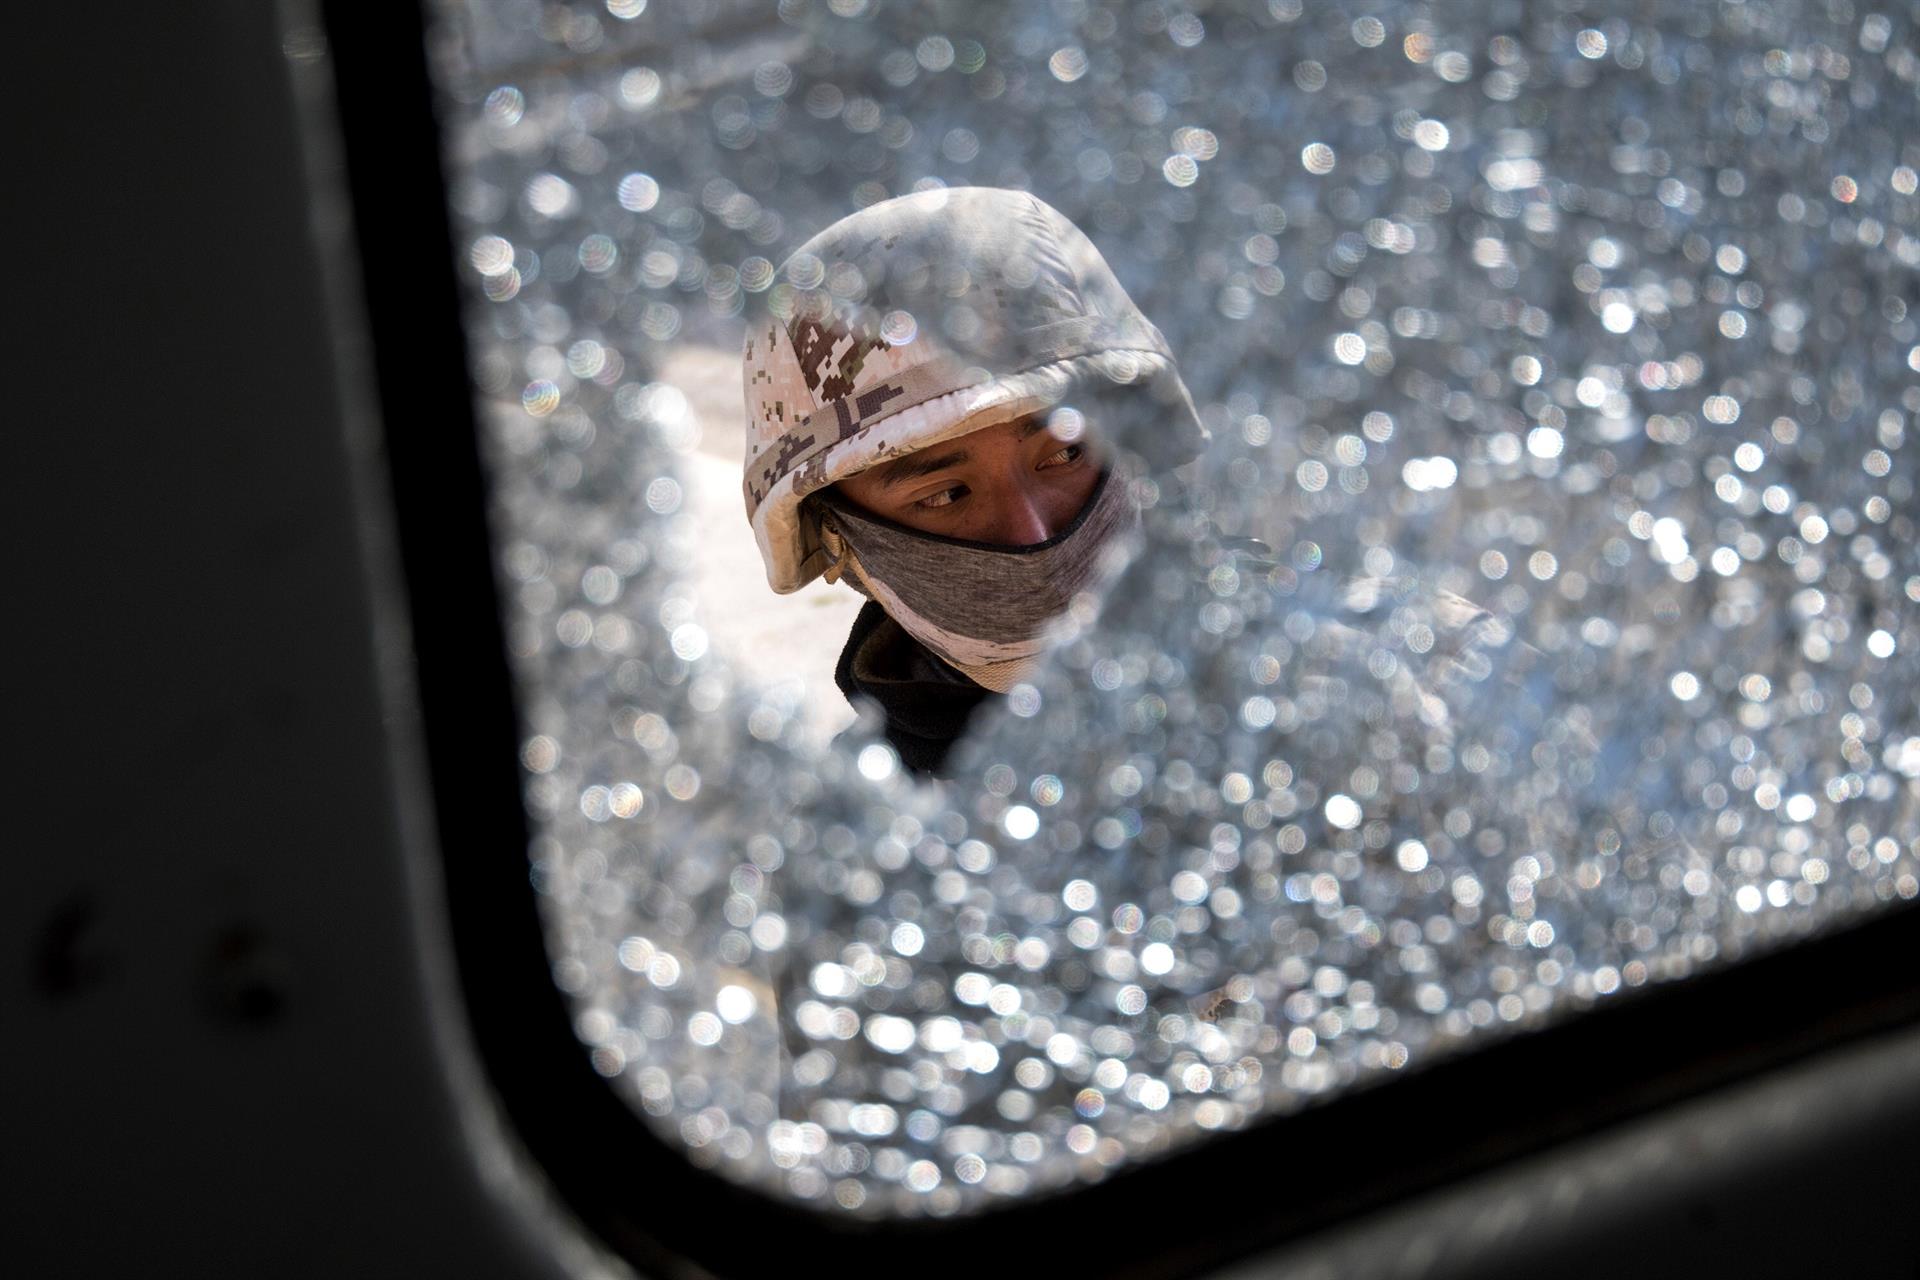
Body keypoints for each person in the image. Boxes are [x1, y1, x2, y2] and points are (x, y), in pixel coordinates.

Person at [740, 186, 1207, 775]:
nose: (1033, 537)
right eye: (942, 495)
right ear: (838, 539)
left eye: (1066, 454)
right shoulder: (864, 830)